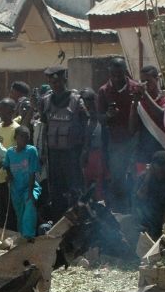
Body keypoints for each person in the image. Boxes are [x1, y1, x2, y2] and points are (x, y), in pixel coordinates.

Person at [41, 67, 88, 221]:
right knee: (56, 193)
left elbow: (85, 128)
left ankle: (77, 225)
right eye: (51, 82)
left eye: (57, 81)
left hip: (72, 154)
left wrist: (84, 152)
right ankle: (57, 225)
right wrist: (43, 151)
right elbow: (45, 127)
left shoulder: (76, 100)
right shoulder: (46, 101)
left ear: (64, 80)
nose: (55, 84)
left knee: (75, 192)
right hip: (54, 155)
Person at [98, 57, 140, 211]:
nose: (116, 78)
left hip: (135, 138)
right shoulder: (104, 91)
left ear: (125, 72)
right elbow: (100, 118)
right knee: (117, 177)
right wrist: (109, 115)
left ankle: (134, 209)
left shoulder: (135, 88)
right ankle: (119, 210)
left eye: (119, 74)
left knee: (136, 175)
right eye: (113, 75)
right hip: (116, 142)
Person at [134, 151, 165, 240]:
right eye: (158, 170)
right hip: (150, 212)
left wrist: (164, 232)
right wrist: (148, 178)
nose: (161, 172)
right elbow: (140, 197)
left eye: (164, 170)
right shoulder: (146, 176)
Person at [3, 125, 40, 240]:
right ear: (16, 137)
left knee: (29, 208)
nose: (24, 139)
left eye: (27, 137)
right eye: (22, 137)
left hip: (29, 187)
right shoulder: (9, 152)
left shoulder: (31, 151)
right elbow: (6, 166)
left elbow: (32, 172)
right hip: (15, 189)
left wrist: (30, 192)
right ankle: (21, 238)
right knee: (20, 214)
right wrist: (9, 176)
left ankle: (29, 236)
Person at [0, 98, 20, 228]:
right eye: (1, 109)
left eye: (6, 109)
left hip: (10, 177)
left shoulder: (16, 129)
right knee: (1, 209)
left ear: (13, 111)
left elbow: (18, 153)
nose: (2, 112)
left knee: (11, 210)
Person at [80, 90, 107, 202]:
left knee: (99, 187)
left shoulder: (102, 120)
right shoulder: (86, 120)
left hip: (100, 156)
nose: (88, 106)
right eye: (86, 103)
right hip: (88, 157)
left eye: (90, 102)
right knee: (87, 186)